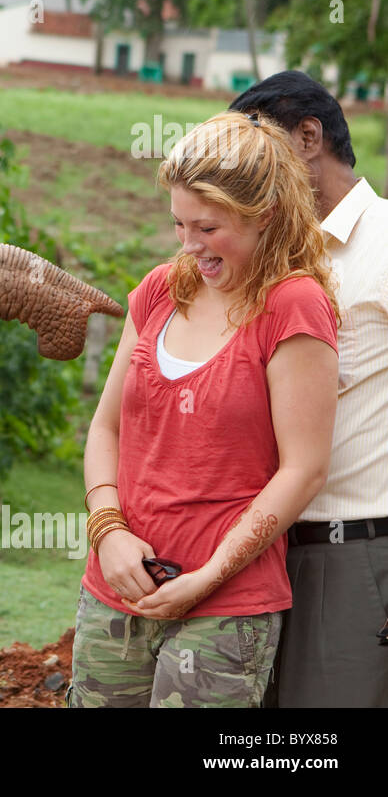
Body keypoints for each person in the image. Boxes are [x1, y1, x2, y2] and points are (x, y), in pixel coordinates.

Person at [68, 110, 339, 707]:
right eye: (179, 225)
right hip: (118, 587)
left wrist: (208, 577)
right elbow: (105, 428)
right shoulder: (162, 288)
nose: (190, 247)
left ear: (264, 214)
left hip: (224, 605)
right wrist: (107, 532)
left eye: (208, 229)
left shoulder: (294, 304)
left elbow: (304, 469)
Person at [230, 70, 388, 707]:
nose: (244, 174)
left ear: (308, 137)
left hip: (353, 551)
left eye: (256, 152)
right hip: (252, 551)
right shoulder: (265, 255)